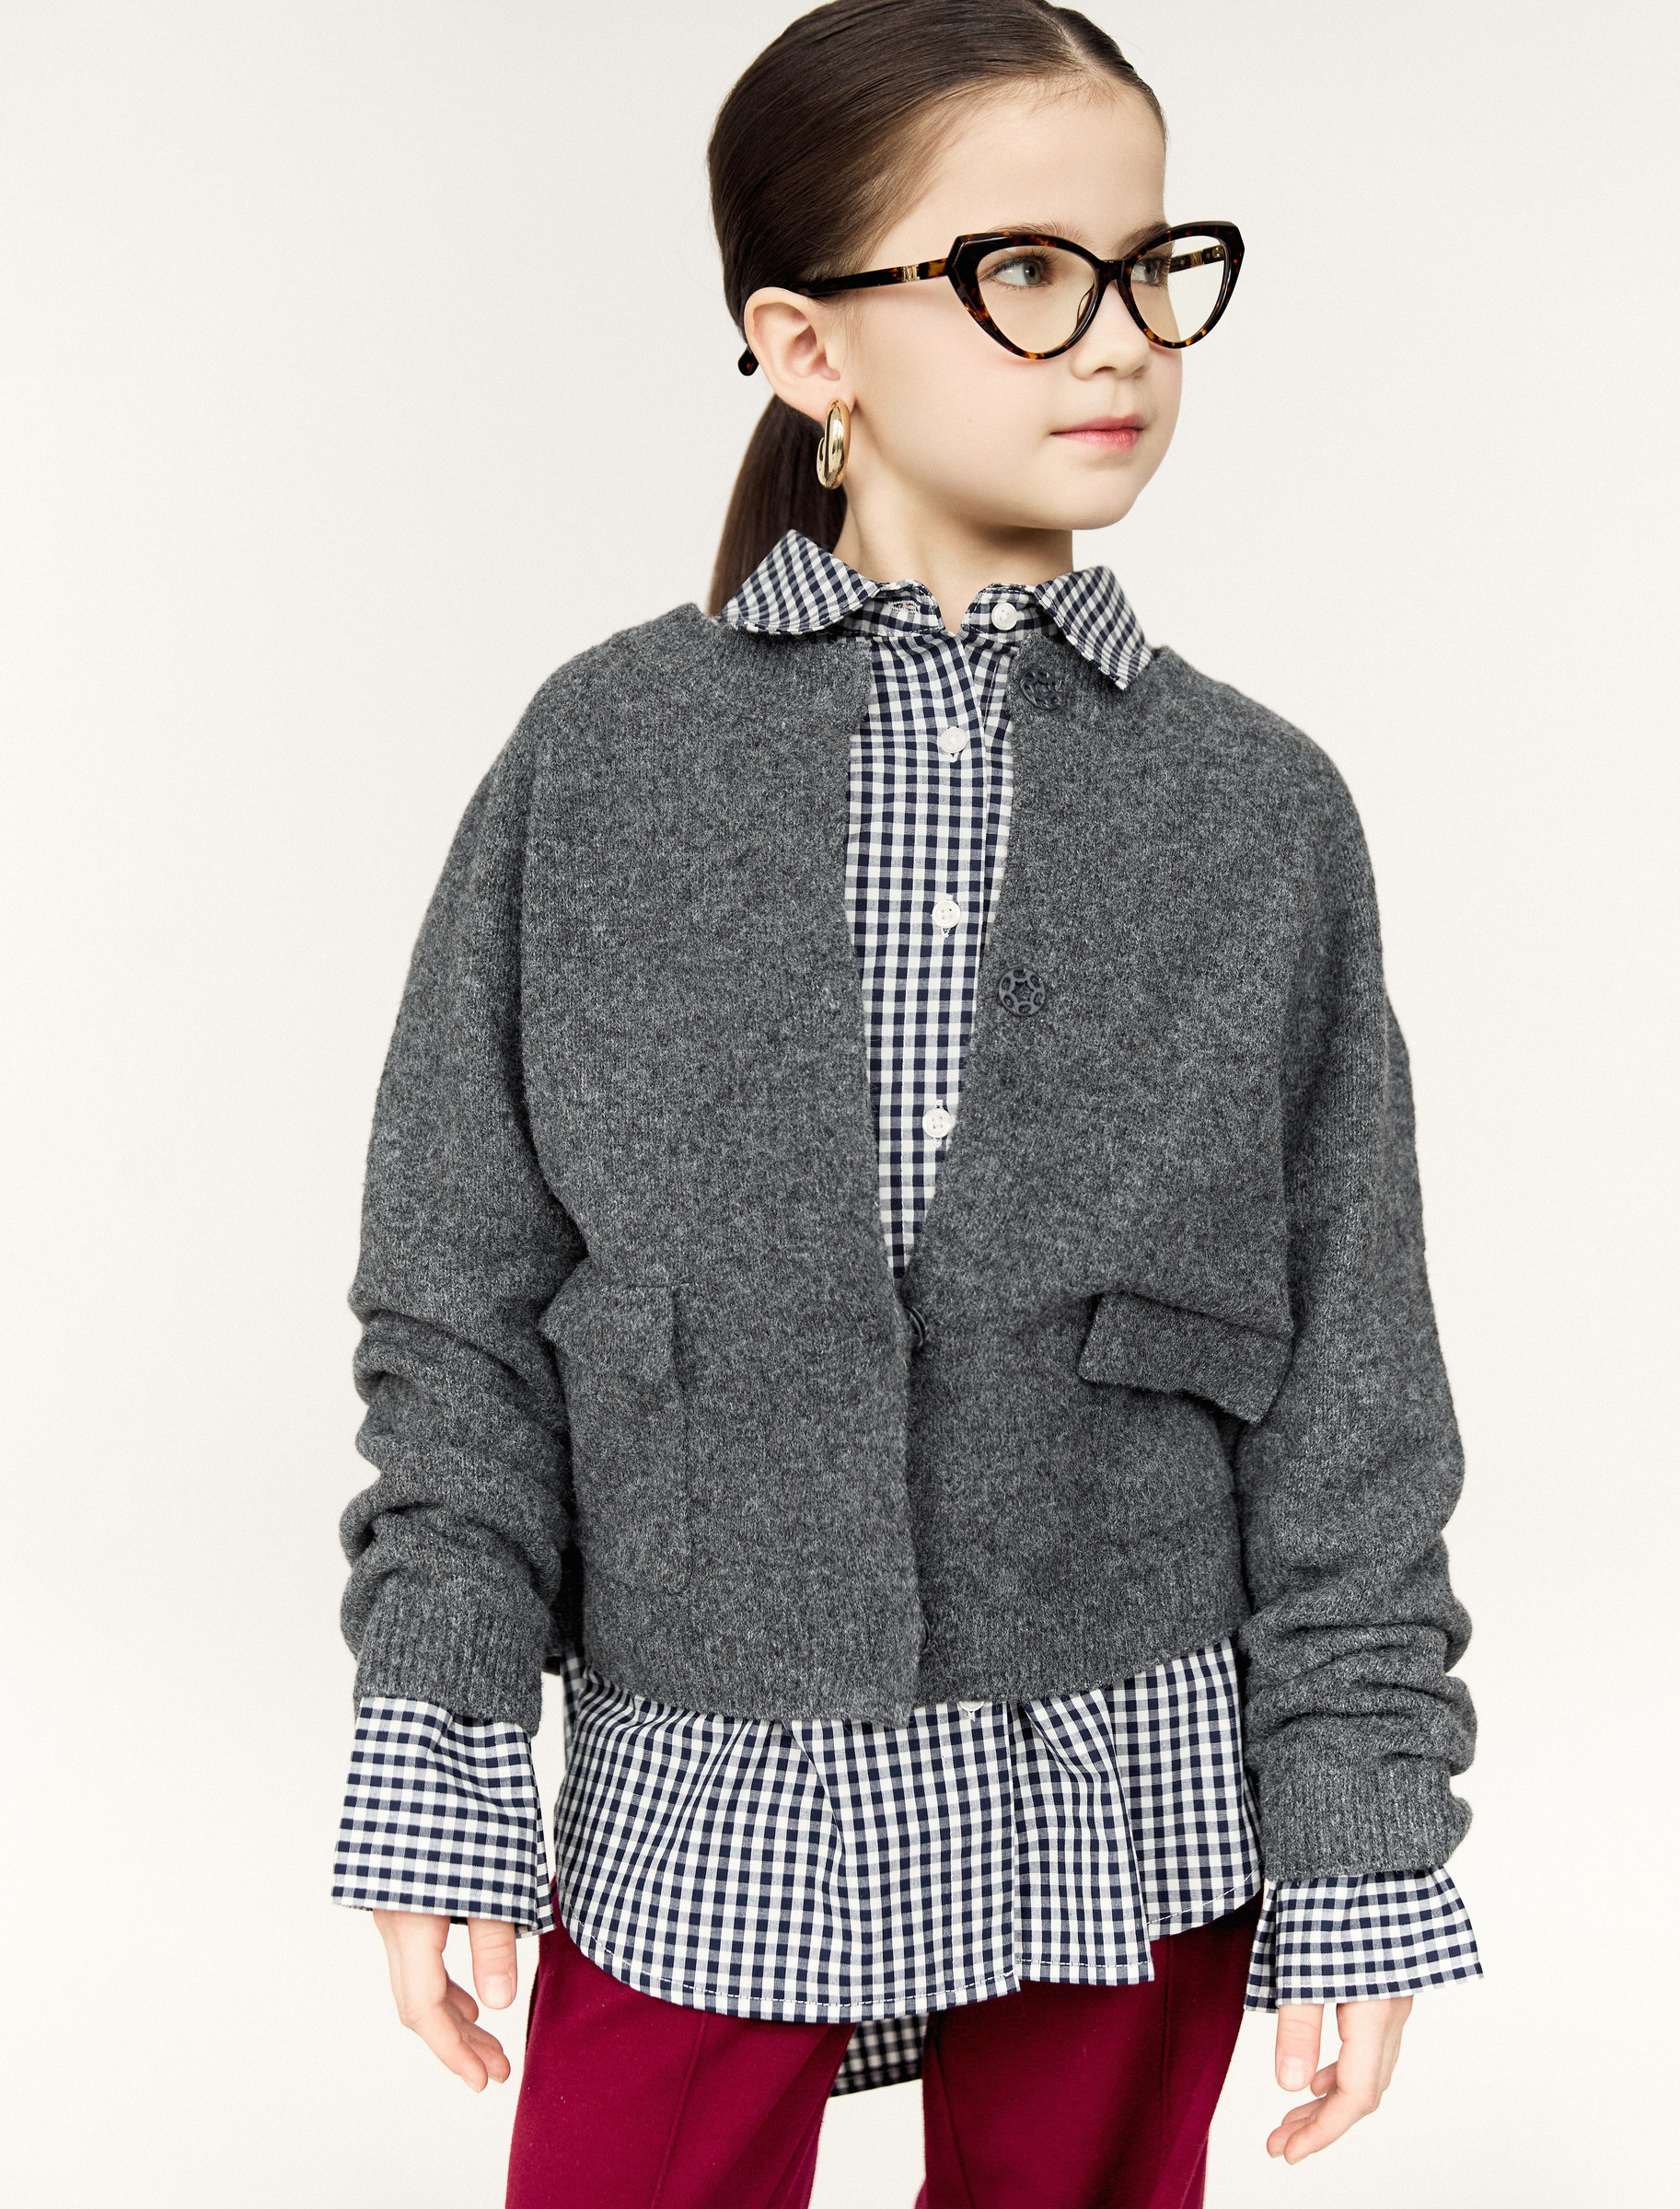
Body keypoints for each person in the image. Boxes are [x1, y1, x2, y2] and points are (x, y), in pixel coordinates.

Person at [330, 4, 1481, 2202]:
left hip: (1130, 1767)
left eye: (1150, 263)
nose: (1116, 332)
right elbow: (458, 1302)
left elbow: (1354, 1371)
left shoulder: (1255, 808)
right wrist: (445, 1744)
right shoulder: (608, 758)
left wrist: (1361, 1825)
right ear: (805, 347)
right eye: (1021, 270)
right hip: (715, 1740)